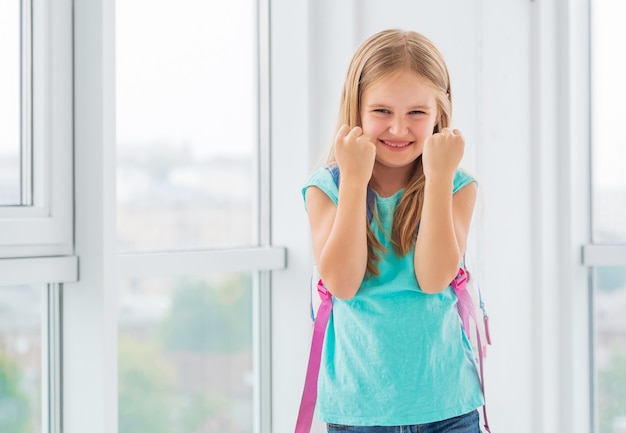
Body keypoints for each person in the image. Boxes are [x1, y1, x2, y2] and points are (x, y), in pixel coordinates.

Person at [301, 29, 484, 432]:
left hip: (447, 409)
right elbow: (342, 283)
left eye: (417, 113)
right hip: (358, 413)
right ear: (356, 110)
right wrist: (354, 181)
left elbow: (435, 277)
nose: (399, 130)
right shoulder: (326, 188)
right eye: (382, 112)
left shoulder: (456, 186)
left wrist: (438, 178)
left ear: (439, 114)